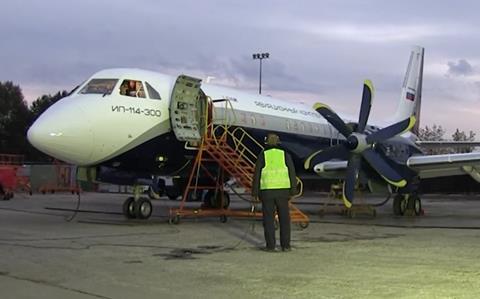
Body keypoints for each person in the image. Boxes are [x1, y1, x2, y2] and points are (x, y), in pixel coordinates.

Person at [252, 132, 297, 252]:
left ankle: (270, 246)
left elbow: (257, 175)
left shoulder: (263, 155)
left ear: (266, 143)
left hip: (267, 192)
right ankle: (286, 246)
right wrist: (293, 191)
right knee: (284, 220)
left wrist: (255, 193)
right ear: (278, 142)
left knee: (268, 220)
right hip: (283, 192)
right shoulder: (285, 154)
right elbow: (292, 173)